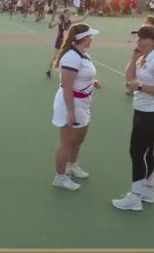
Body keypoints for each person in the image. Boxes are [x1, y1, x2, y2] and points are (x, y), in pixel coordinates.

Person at [112, 26, 154, 211]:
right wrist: (133, 58)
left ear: (153, 41)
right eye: (138, 38)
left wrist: (140, 87)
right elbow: (129, 79)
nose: (138, 41)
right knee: (147, 152)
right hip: (142, 111)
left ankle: (135, 198)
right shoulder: (143, 59)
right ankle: (147, 191)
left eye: (142, 38)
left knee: (136, 152)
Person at [51, 23, 102, 191]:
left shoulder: (83, 54)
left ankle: (71, 166)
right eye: (90, 36)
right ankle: (59, 177)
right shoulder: (72, 57)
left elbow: (80, 76)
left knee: (78, 140)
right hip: (70, 103)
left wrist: (92, 82)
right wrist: (71, 112)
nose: (92, 39)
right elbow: (67, 86)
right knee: (67, 143)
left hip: (83, 103)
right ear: (82, 39)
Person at [46, 9, 88, 78]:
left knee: (68, 56)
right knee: (55, 57)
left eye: (69, 14)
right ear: (64, 14)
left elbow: (79, 21)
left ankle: (68, 71)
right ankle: (49, 70)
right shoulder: (60, 21)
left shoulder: (69, 22)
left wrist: (85, 15)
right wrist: (50, 24)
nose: (68, 15)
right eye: (67, 14)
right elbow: (50, 26)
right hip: (59, 41)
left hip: (67, 42)